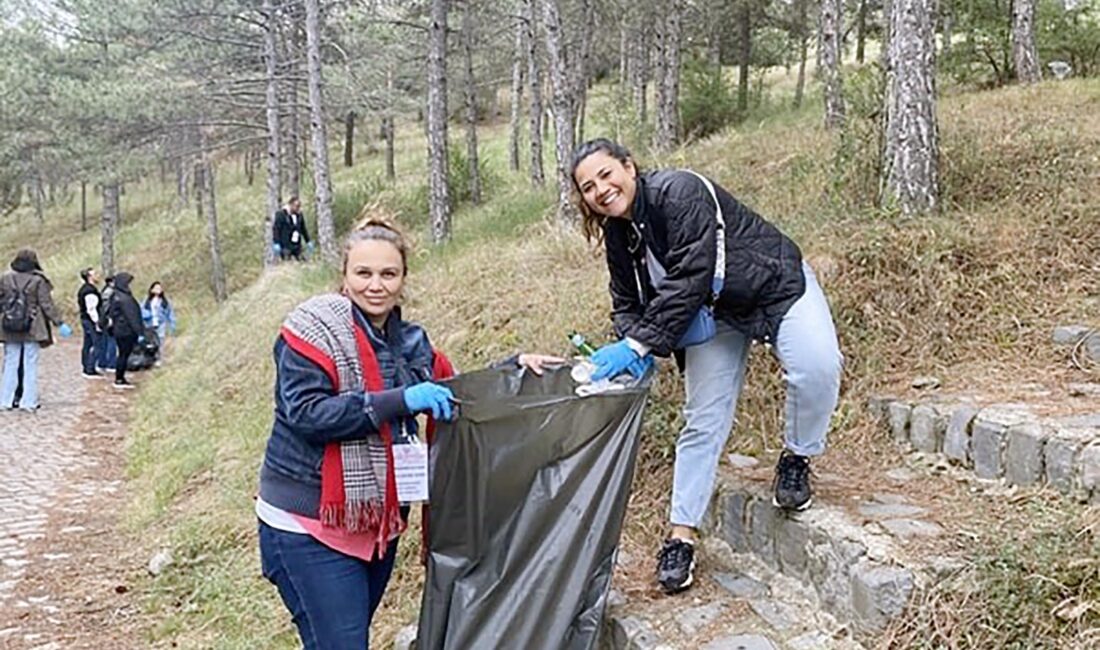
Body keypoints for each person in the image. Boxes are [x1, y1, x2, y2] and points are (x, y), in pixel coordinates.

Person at [256, 217, 559, 648]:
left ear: (403, 280)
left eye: (388, 274)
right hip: (308, 524)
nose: (375, 285)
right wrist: (400, 401)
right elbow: (307, 414)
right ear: (343, 277)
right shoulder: (312, 331)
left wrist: (513, 368)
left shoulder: (411, 342)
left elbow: (451, 393)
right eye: (363, 273)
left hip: (378, 523)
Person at [570, 138, 843, 595]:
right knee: (702, 421)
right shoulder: (619, 235)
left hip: (773, 283)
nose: (600, 189)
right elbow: (625, 301)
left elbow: (690, 276)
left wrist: (639, 345)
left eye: (605, 174)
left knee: (817, 366)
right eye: (587, 186)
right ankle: (681, 536)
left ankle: (797, 457)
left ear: (629, 167)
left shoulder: (680, 191)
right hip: (712, 316)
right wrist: (629, 342)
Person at [0, 249, 72, 411]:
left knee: (10, 363)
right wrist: (59, 323)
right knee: (29, 364)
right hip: (33, 327)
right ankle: (28, 401)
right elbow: (46, 305)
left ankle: (5, 400)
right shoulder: (38, 281)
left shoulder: (5, 278)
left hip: (9, 327)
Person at [107, 272, 144, 390]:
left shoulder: (116, 296)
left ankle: (120, 377)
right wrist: (140, 332)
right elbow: (132, 316)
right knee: (123, 354)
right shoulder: (124, 298)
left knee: (122, 354)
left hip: (119, 329)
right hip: (125, 330)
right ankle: (119, 378)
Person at [77, 267, 104, 378]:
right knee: (97, 343)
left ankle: (86, 366)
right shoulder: (89, 291)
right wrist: (97, 322)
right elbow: (91, 309)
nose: (97, 276)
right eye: (94, 274)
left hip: (85, 319)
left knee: (87, 343)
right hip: (90, 320)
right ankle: (90, 368)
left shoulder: (85, 289)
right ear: (89, 277)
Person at [273, 196, 313, 261]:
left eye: (299, 206)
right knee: (286, 263)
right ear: (291, 205)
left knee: (302, 261)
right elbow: (276, 229)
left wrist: (308, 241)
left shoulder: (299, 215)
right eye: (296, 206)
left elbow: (303, 229)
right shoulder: (281, 214)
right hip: (285, 245)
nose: (298, 208)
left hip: (297, 245)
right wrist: (276, 242)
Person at [97, 275, 118, 373]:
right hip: (109, 321)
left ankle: (103, 363)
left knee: (105, 342)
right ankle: (111, 364)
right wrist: (109, 318)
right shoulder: (110, 293)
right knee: (111, 342)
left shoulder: (104, 292)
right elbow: (107, 308)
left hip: (105, 320)